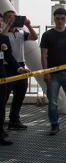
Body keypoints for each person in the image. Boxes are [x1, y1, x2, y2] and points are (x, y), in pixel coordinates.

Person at [2, 10, 37, 130]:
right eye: (10, 17)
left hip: (20, 64)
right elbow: (1, 36)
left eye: (15, 17)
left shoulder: (21, 32)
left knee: (20, 94)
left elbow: (34, 37)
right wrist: (8, 25)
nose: (13, 19)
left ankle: (14, 120)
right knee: (3, 96)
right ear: (5, 19)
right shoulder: (3, 32)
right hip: (7, 66)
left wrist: (28, 25)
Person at [0, 14, 27, 145]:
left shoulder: (4, 38)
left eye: (1, 23)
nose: (0, 26)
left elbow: (9, 58)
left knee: (1, 105)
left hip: (2, 76)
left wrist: (19, 69)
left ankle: (1, 134)